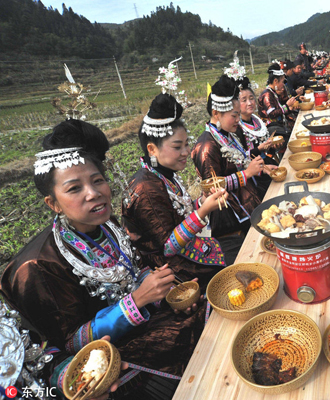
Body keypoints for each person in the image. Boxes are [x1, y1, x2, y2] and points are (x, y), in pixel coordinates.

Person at [1, 120, 205, 398]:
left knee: (205, 311)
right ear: (53, 203)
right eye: (74, 189)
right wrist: (136, 302)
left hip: (144, 322)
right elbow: (67, 345)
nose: (93, 193)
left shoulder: (107, 225)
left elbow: (134, 270)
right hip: (107, 358)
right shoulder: (38, 266)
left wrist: (163, 292)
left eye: (97, 180)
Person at [121, 93, 238, 280]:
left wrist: (202, 201)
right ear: (152, 149)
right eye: (177, 147)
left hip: (190, 248)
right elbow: (167, 246)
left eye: (186, 144)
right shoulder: (145, 188)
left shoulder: (164, 175)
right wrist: (203, 212)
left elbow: (179, 211)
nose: (186, 152)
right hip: (171, 269)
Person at [193, 75, 265, 240]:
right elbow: (212, 187)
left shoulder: (228, 134)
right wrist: (246, 174)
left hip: (248, 197)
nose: (238, 120)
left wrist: (262, 167)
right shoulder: (206, 146)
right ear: (216, 113)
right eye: (234, 115)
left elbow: (237, 159)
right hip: (229, 214)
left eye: (239, 115)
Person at [235, 74, 280, 197]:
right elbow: (240, 157)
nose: (249, 103)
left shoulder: (256, 120)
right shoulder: (236, 127)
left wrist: (273, 146)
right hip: (254, 174)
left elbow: (266, 147)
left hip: (266, 163)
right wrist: (259, 149)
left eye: (251, 98)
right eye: (244, 100)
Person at [258, 63, 298, 134]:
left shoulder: (273, 92)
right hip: (271, 129)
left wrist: (290, 108)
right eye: (282, 82)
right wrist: (287, 106)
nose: (283, 84)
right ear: (276, 81)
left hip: (278, 125)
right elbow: (272, 113)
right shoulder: (267, 94)